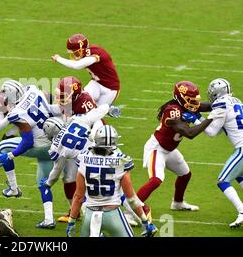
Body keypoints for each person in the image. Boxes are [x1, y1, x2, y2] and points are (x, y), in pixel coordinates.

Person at [136, 80, 226, 219]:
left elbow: (206, 106)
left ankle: (177, 203)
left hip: (169, 150)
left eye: (195, 100)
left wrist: (224, 104)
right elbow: (189, 133)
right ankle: (131, 211)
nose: (195, 104)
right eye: (191, 100)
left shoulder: (186, 106)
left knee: (185, 174)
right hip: (157, 148)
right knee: (156, 180)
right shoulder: (172, 111)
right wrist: (211, 119)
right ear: (181, 98)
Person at [66, 125, 158, 237]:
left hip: (90, 214)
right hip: (112, 214)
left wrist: (71, 222)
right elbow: (131, 198)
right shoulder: (121, 161)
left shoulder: (83, 158)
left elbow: (78, 196)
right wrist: (145, 221)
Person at [37, 103, 110, 229]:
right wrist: (108, 108)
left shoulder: (55, 147)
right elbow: (96, 114)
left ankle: (95, 227)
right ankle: (141, 216)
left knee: (84, 196)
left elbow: (57, 169)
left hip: (89, 164)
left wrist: (48, 183)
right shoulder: (76, 120)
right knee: (113, 187)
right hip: (104, 154)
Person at [0, 80, 61, 198]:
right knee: (44, 184)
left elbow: (26, 141)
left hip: (42, 146)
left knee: (3, 147)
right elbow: (46, 95)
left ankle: (13, 188)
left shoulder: (17, 113)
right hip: (56, 143)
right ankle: (50, 217)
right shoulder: (33, 89)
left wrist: (11, 155)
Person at [189, 78, 243, 228]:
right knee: (239, 175)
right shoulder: (236, 100)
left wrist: (194, 119)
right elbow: (219, 129)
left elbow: (212, 132)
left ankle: (242, 211)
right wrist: (199, 116)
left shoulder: (221, 103)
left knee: (223, 180)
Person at [51, 34, 120, 106]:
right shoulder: (87, 52)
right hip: (96, 83)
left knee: (96, 114)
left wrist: (58, 58)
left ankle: (107, 109)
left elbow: (77, 65)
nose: (74, 55)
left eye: (76, 52)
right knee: (80, 103)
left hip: (110, 88)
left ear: (82, 49)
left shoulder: (94, 52)